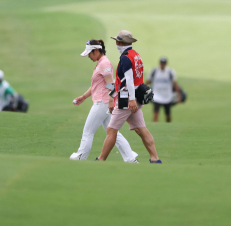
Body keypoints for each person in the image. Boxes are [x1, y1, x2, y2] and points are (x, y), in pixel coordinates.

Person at [97, 30, 162, 164]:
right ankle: (155, 159)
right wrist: (113, 95)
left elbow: (129, 80)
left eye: (116, 41)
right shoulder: (136, 55)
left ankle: (101, 160)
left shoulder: (125, 58)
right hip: (136, 97)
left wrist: (131, 99)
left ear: (120, 43)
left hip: (127, 99)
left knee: (111, 129)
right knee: (141, 129)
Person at [70, 40, 139, 162]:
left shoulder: (104, 63)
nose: (89, 57)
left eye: (89, 54)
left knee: (88, 131)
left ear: (96, 51)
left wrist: (111, 101)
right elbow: (97, 85)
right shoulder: (101, 63)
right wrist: (83, 97)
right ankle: (130, 158)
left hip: (102, 102)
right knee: (113, 132)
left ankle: (81, 157)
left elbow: (110, 85)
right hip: (104, 102)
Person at [146, 57, 181, 122]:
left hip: (167, 96)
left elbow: (175, 84)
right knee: (155, 114)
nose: (162, 65)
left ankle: (168, 127)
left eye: (164, 63)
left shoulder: (170, 72)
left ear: (166, 64)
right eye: (162, 63)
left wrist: (178, 95)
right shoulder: (154, 71)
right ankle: (155, 127)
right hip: (156, 95)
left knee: (168, 115)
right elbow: (148, 81)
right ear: (159, 63)